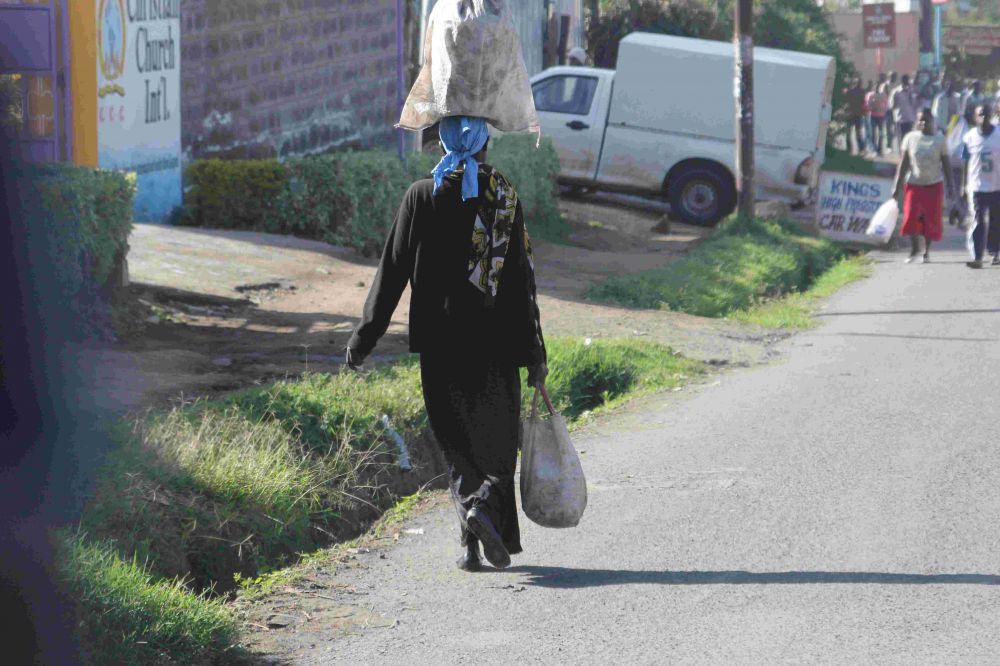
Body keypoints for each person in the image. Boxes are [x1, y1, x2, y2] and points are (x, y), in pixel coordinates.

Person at [346, 115, 548, 570]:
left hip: (441, 343)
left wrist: (364, 336)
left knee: (457, 445)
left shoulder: (422, 195)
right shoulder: (503, 195)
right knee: (497, 444)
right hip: (497, 344)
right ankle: (481, 515)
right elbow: (521, 280)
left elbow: (392, 271)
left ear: (442, 145)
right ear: (484, 146)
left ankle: (470, 542)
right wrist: (534, 352)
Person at [892, 108, 955, 263]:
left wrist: (951, 186)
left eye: (926, 120)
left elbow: (946, 165)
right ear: (917, 121)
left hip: (934, 185)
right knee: (910, 217)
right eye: (920, 120)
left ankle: (926, 252)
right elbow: (904, 164)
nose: (923, 123)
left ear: (933, 122)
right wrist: (896, 185)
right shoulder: (910, 138)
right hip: (914, 184)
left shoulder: (940, 139)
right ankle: (914, 250)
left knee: (929, 220)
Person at [961, 104, 1000, 268]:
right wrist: (963, 185)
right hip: (977, 186)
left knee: (995, 221)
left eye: (986, 114)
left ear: (991, 116)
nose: (983, 118)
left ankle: (994, 251)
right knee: (978, 220)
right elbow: (965, 161)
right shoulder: (969, 137)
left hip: (997, 185)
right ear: (975, 117)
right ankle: (978, 256)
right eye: (980, 115)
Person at [891, 75, 918, 152]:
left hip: (910, 118)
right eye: (906, 81)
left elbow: (916, 104)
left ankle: (907, 153)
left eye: (908, 81)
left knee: (909, 138)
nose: (907, 83)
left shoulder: (913, 91)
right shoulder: (897, 92)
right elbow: (893, 106)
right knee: (903, 138)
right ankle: (903, 154)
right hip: (902, 118)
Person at [844, 77, 867, 154]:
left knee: (848, 132)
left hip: (850, 114)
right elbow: (864, 102)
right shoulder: (863, 92)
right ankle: (861, 149)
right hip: (859, 114)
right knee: (858, 133)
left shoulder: (850, 92)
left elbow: (845, 101)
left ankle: (849, 149)